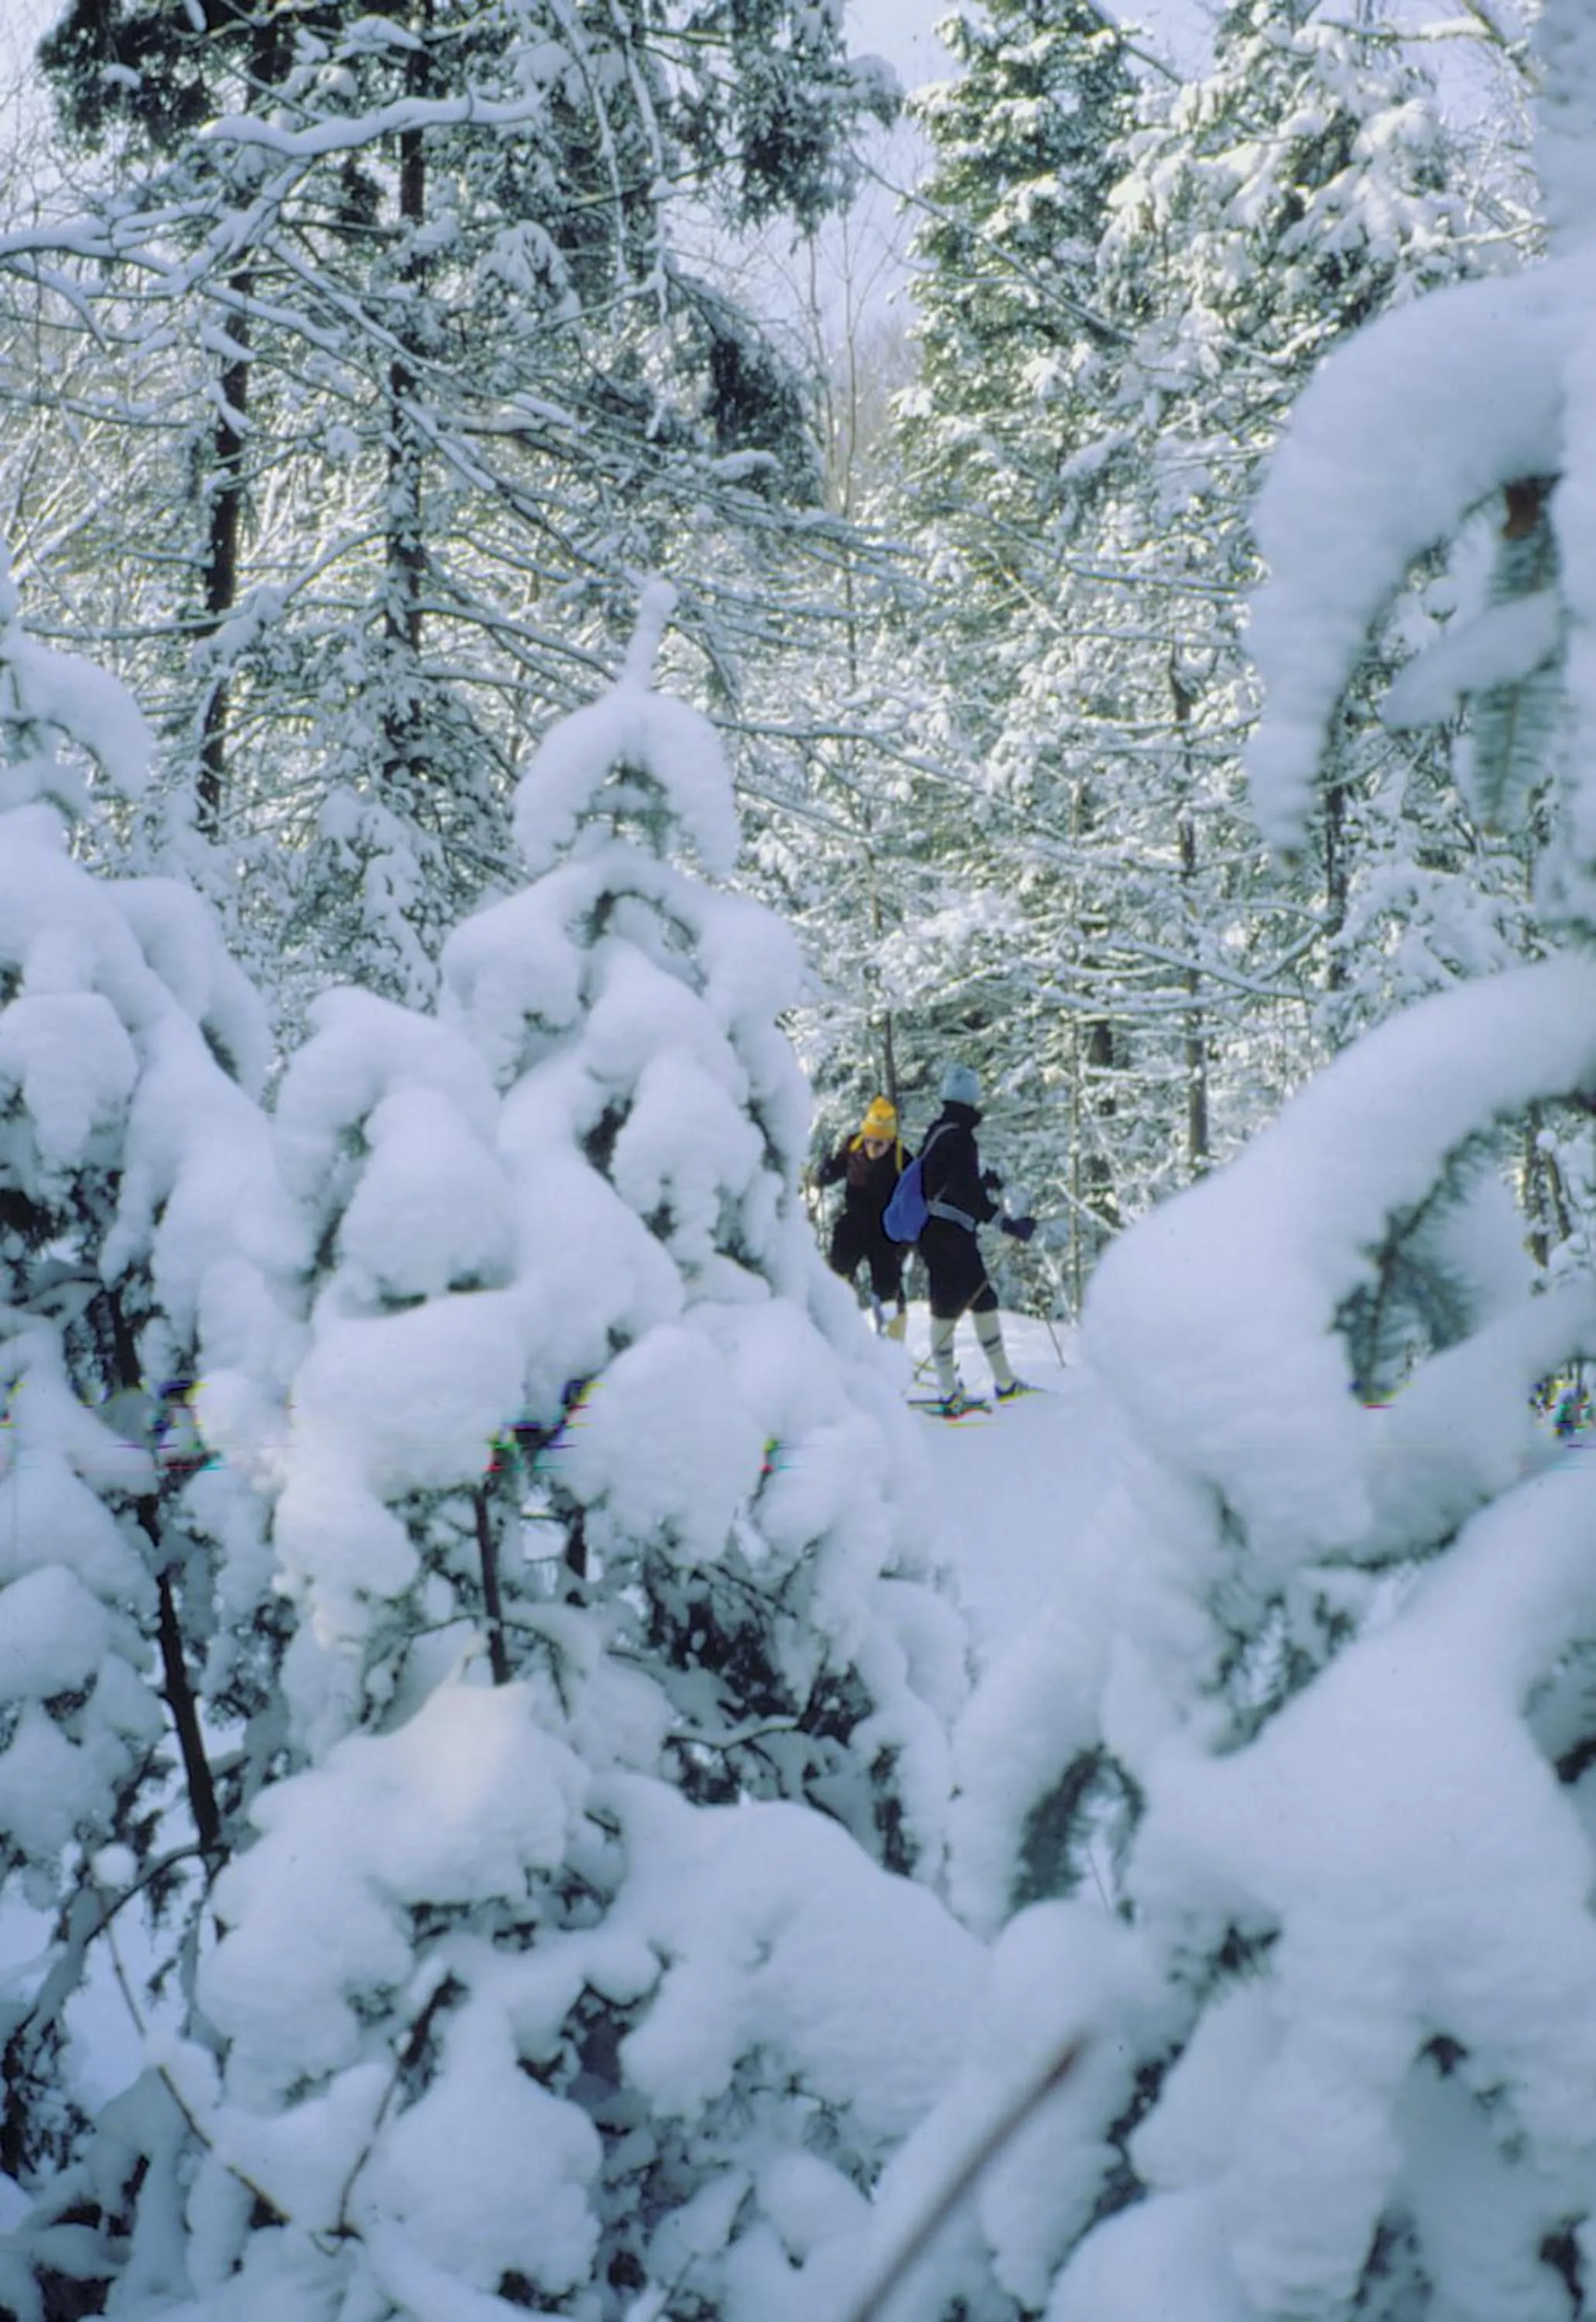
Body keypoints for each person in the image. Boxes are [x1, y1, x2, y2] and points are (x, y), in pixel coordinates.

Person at [917, 1063, 1034, 1413]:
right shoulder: (959, 1137)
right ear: (972, 1098)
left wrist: (983, 1184)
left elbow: (948, 1184)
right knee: (949, 1308)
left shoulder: (942, 1130)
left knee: (979, 1299)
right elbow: (965, 1195)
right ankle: (952, 1391)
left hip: (941, 1234)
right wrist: (1007, 1223)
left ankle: (1000, 1382)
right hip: (948, 1235)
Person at [815, 1095, 910, 1338]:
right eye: (868, 1141)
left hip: (886, 1234)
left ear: (890, 1140)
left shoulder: (903, 1160)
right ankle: (834, 1333)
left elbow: (918, 1198)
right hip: (854, 1225)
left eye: (879, 1144)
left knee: (888, 1290)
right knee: (837, 1277)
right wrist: (822, 1174)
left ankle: (892, 1343)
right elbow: (833, 1171)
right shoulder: (853, 1147)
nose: (872, 1148)